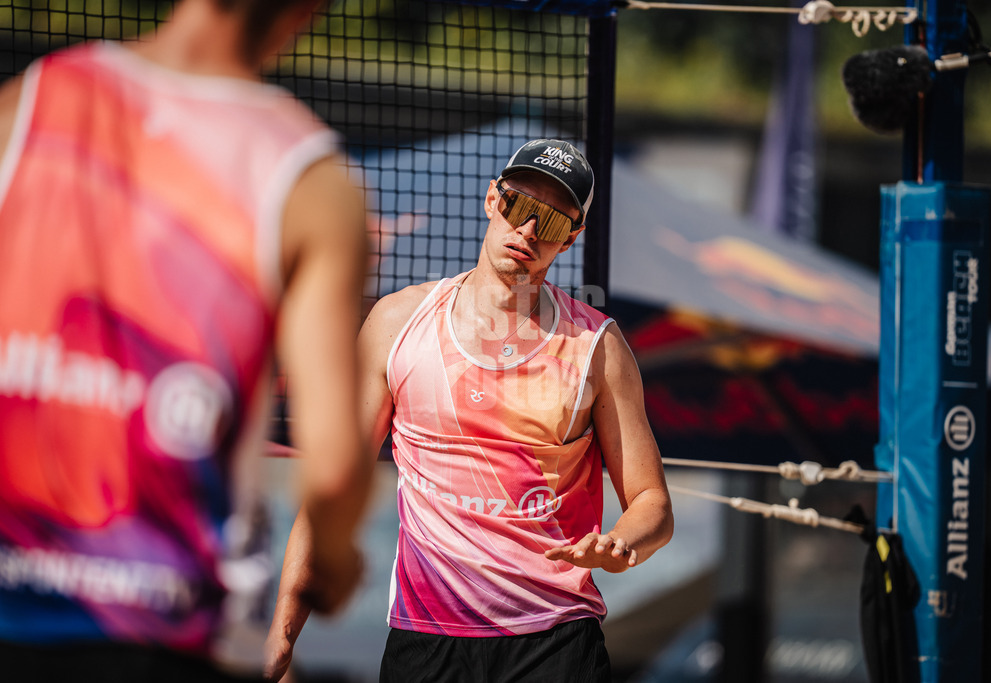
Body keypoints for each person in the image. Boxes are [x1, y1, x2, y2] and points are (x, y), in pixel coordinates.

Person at [0, 1, 373, 681]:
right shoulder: (312, 182)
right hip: (175, 627)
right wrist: (338, 567)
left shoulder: (27, 102)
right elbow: (336, 468)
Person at [266, 139, 674, 682]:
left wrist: (622, 543)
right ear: (491, 200)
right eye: (519, 207)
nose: (528, 231)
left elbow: (651, 502)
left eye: (550, 222)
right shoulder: (397, 323)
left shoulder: (596, 346)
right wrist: (284, 627)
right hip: (428, 633)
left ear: (571, 238)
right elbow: (336, 481)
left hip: (555, 636)